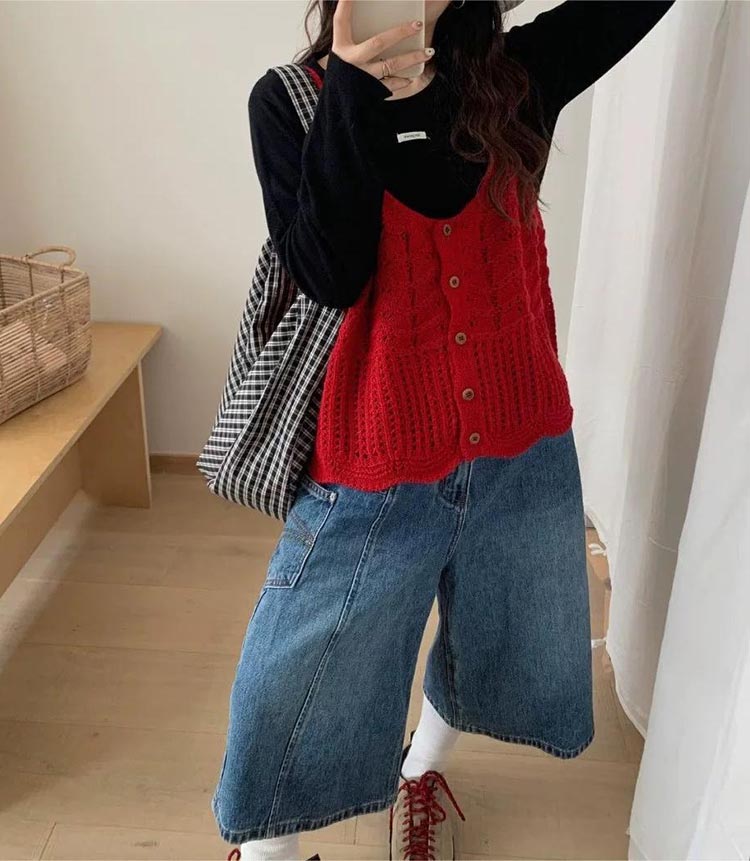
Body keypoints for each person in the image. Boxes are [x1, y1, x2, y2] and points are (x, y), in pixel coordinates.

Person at [213, 1, 676, 859]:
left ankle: (421, 771)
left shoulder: (514, 79)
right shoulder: (291, 102)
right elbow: (329, 274)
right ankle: (268, 851)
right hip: (374, 461)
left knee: (493, 641)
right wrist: (352, 97)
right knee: (300, 677)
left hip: (522, 451)